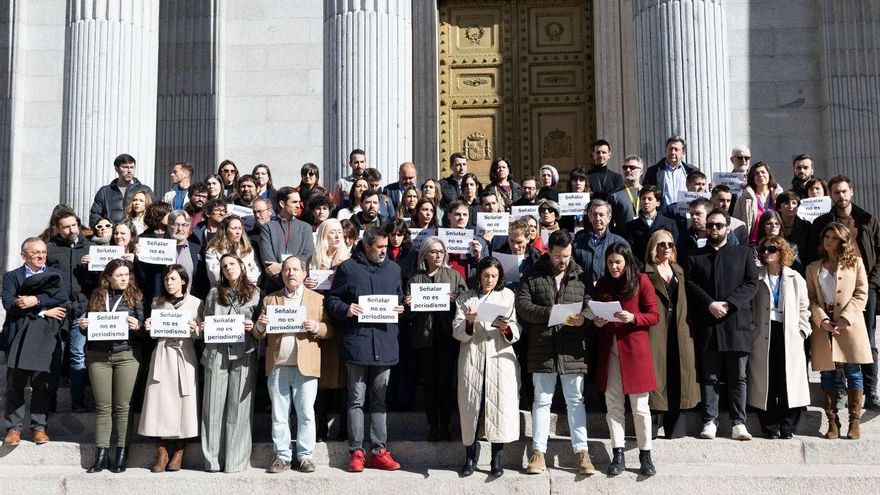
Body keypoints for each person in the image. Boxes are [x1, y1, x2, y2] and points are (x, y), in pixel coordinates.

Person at [516, 230, 597, 476]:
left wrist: (584, 318)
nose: (563, 260)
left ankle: (582, 452)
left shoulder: (582, 275)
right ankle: (538, 452)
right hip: (543, 347)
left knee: (575, 401)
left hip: (572, 348)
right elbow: (523, 306)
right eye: (558, 256)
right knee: (541, 401)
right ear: (548, 251)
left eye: (567, 255)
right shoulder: (532, 274)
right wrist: (551, 313)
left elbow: (591, 305)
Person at [325, 227, 405, 472]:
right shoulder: (348, 268)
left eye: (385, 247)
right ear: (367, 246)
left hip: (384, 342)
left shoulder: (394, 269)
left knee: (379, 400)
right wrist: (346, 310)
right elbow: (332, 301)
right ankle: (357, 451)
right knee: (356, 400)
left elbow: (399, 298)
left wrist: (400, 308)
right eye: (379, 247)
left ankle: (379, 450)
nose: (384, 251)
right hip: (357, 344)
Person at [686, 208, 758, 441]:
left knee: (738, 376)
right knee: (710, 376)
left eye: (718, 225)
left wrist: (728, 304)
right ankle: (710, 420)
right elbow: (690, 284)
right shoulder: (694, 256)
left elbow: (751, 284)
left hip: (735, 323)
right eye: (710, 226)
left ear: (728, 228)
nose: (713, 229)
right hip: (708, 323)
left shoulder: (743, 253)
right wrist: (709, 304)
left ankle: (739, 422)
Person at [809, 175, 880, 410]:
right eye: (836, 192)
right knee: (833, 342)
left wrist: (871, 284)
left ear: (851, 192)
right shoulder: (822, 223)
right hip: (831, 288)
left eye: (844, 191)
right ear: (831, 195)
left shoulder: (868, 220)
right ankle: (838, 392)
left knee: (866, 341)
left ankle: (870, 391)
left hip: (863, 288)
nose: (841, 196)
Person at [254, 256, 330, 473]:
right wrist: (260, 325)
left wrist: (316, 327)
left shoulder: (317, 299)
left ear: (304, 273)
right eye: (286, 269)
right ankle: (282, 457)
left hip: (306, 365)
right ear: (282, 274)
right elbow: (258, 334)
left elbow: (329, 330)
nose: (291, 273)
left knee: (306, 412)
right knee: (279, 414)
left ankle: (305, 457)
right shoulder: (270, 300)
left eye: (295, 269)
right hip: (278, 365)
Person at [592, 242, 659, 476]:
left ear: (627, 261)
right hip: (610, 352)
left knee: (640, 408)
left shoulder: (642, 281)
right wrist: (597, 321)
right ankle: (617, 454)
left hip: (635, 353)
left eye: (618, 262)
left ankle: (645, 454)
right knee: (613, 407)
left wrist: (633, 317)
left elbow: (654, 316)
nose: (613, 266)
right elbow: (596, 313)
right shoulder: (602, 283)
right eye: (610, 262)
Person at [452, 256, 518, 477]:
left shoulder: (507, 295)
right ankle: (470, 458)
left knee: (498, 406)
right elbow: (457, 330)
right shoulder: (466, 298)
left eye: (494, 276)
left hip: (499, 357)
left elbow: (515, 329)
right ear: (479, 275)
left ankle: (496, 460)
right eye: (486, 275)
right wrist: (469, 322)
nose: (490, 280)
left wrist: (505, 327)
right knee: (472, 406)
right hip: (473, 356)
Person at [78, 259, 145, 473]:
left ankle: (122, 454)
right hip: (98, 356)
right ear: (108, 277)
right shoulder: (97, 296)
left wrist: (138, 327)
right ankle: (101, 454)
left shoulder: (136, 296)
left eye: (127, 274)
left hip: (126, 355)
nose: (124, 278)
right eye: (119, 275)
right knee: (103, 407)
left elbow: (145, 332)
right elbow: (88, 327)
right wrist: (83, 326)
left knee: (123, 406)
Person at [807, 222, 871, 439]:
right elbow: (811, 298)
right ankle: (832, 422)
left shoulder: (856, 264)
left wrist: (845, 318)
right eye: (826, 236)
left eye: (834, 238)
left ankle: (855, 422)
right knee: (827, 373)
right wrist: (822, 320)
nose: (828, 241)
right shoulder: (813, 267)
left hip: (849, 324)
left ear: (843, 241)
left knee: (853, 371)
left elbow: (862, 293)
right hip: (823, 325)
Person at [2, 238, 68, 446]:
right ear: (24, 256)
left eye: (43, 253)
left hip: (45, 337)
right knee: (16, 384)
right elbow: (9, 303)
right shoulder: (12, 276)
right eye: (35, 253)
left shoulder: (56, 275)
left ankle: (39, 427)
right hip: (18, 335)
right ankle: (13, 428)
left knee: (42, 383)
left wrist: (35, 301)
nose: (41, 256)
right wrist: (43, 310)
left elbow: (62, 298)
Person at [200, 253, 261, 472]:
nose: (228, 268)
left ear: (242, 267)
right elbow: (204, 322)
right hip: (217, 353)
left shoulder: (255, 293)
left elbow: (260, 327)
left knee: (239, 408)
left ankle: (235, 462)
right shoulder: (214, 293)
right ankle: (212, 461)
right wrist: (203, 327)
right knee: (212, 407)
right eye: (224, 266)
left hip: (244, 353)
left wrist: (252, 327)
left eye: (232, 264)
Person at [139, 265, 202, 472]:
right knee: (158, 403)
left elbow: (200, 333)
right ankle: (162, 451)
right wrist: (149, 327)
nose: (169, 283)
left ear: (183, 281)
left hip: (185, 356)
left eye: (174, 279)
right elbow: (156, 331)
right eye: (166, 279)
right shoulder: (157, 302)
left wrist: (196, 331)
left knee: (185, 403)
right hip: (163, 355)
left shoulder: (196, 303)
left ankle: (179, 452)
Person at [747, 236, 811, 439]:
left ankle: (787, 426)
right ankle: (770, 426)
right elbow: (748, 306)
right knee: (765, 380)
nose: (766, 253)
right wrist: (752, 328)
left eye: (772, 249)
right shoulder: (756, 276)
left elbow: (804, 307)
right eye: (763, 249)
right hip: (763, 333)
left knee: (788, 380)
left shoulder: (794, 277)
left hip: (789, 333)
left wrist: (803, 330)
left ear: (782, 251)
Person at [407, 237, 467, 442]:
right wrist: (409, 305)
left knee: (445, 383)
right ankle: (433, 426)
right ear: (425, 255)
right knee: (430, 384)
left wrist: (456, 299)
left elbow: (468, 302)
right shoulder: (415, 279)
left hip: (447, 337)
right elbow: (406, 315)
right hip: (424, 339)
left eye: (441, 251)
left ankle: (446, 426)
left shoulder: (453, 275)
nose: (438, 255)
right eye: (433, 252)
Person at [643, 229, 699, 439]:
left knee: (679, 373)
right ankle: (654, 425)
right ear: (653, 247)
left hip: (679, 329)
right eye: (662, 244)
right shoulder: (646, 272)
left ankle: (675, 426)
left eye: (670, 245)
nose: (667, 248)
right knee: (657, 375)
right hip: (656, 329)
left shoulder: (679, 270)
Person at [46, 210, 94, 413]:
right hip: (59, 311)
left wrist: (95, 267)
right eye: (65, 227)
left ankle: (78, 400)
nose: (71, 230)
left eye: (73, 225)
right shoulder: (50, 249)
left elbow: (103, 280)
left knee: (77, 356)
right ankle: (50, 401)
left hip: (82, 309)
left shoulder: (91, 248)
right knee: (55, 356)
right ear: (57, 228)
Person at [307, 219, 350, 442]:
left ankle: (343, 429)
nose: (337, 236)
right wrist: (307, 285)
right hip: (319, 322)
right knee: (320, 377)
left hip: (341, 324)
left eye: (339, 232)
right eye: (332, 232)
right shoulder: (312, 261)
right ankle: (320, 428)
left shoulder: (348, 261)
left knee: (342, 378)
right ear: (323, 234)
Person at [259, 186, 316, 291]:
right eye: (294, 202)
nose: (298, 206)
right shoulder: (268, 227)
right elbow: (269, 263)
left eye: (299, 202)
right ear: (282, 204)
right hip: (273, 288)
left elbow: (308, 254)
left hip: (299, 287)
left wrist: (282, 268)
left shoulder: (306, 227)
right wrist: (287, 285)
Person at [89, 153, 156, 228]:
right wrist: (103, 230)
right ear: (116, 169)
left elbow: (154, 214)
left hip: (138, 234)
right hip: (111, 235)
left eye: (132, 167)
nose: (129, 171)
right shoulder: (105, 192)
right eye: (125, 167)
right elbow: (95, 216)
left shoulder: (145, 190)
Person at [574, 199, 628, 282]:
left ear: (609, 218)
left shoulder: (620, 242)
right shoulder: (578, 243)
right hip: (584, 292)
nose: (597, 218)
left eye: (601, 215)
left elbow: (628, 269)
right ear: (590, 216)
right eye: (595, 214)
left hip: (611, 291)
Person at [623, 185, 678, 266]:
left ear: (658, 203)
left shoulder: (669, 223)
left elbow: (674, 247)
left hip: (664, 266)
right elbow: (630, 251)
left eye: (650, 199)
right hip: (641, 268)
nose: (646, 201)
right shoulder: (631, 226)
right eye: (643, 198)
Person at [642, 136, 699, 212]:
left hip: (686, 213)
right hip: (663, 215)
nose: (673, 152)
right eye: (670, 149)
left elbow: (700, 192)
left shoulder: (692, 171)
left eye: (676, 149)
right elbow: (646, 192)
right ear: (665, 150)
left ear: (683, 152)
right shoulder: (653, 171)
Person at [733, 162, 784, 243]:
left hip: (775, 242)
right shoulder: (744, 198)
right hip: (753, 243)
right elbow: (736, 223)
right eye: (756, 173)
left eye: (763, 172)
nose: (760, 175)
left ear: (769, 175)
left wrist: (776, 201)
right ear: (752, 178)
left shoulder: (779, 196)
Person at [205, 215, 261, 286]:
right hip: (223, 292)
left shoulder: (248, 250)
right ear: (225, 230)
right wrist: (242, 275)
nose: (238, 232)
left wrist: (232, 275)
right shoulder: (213, 251)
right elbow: (215, 277)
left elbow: (257, 274)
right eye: (234, 228)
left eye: (240, 228)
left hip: (247, 291)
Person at [776, 190, 811, 275]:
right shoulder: (774, 226)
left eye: (794, 203)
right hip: (778, 271)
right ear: (779, 208)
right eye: (786, 203)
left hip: (802, 272)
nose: (791, 206)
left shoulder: (806, 226)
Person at [609, 154, 644, 233]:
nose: (628, 170)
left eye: (632, 167)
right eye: (625, 167)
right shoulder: (614, 195)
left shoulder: (648, 193)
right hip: (623, 238)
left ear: (641, 171)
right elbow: (609, 222)